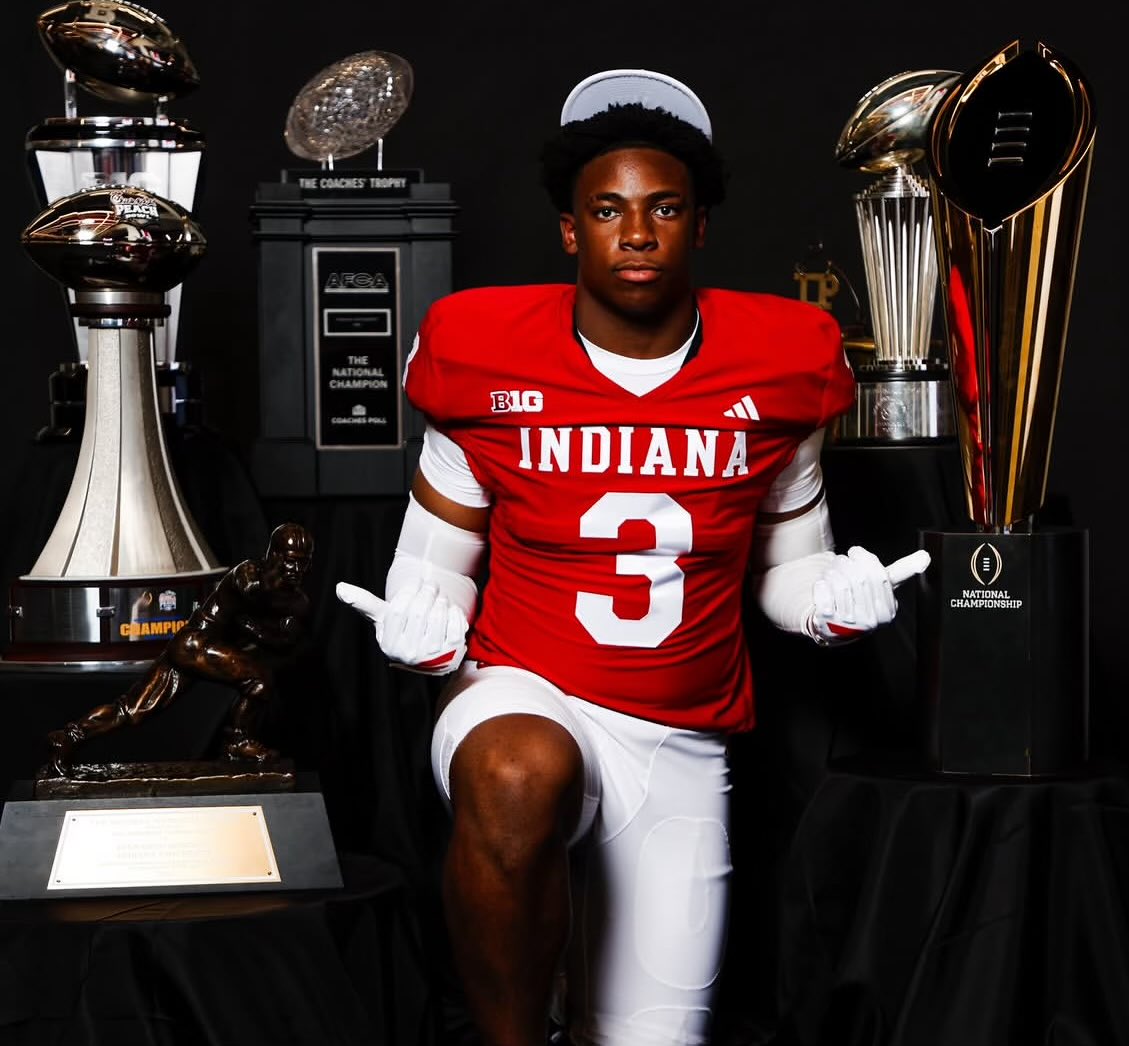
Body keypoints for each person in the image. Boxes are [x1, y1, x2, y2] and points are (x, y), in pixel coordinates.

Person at [337, 69, 928, 1046]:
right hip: (522, 686)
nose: (638, 233)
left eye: (664, 208)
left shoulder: (781, 359)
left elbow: (787, 564)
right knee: (519, 772)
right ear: (571, 231)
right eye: (608, 210)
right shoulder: (485, 348)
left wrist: (831, 598)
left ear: (701, 225)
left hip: (678, 730)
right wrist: (421, 617)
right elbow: (436, 557)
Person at [48, 522, 314, 774]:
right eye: (290, 560)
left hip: (197, 648)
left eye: (303, 562)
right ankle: (237, 742)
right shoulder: (248, 574)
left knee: (134, 710)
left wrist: (261, 628)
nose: (296, 569)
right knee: (258, 680)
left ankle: (69, 736)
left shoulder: (297, 602)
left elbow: (283, 642)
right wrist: (265, 620)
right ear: (273, 555)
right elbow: (252, 594)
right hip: (194, 644)